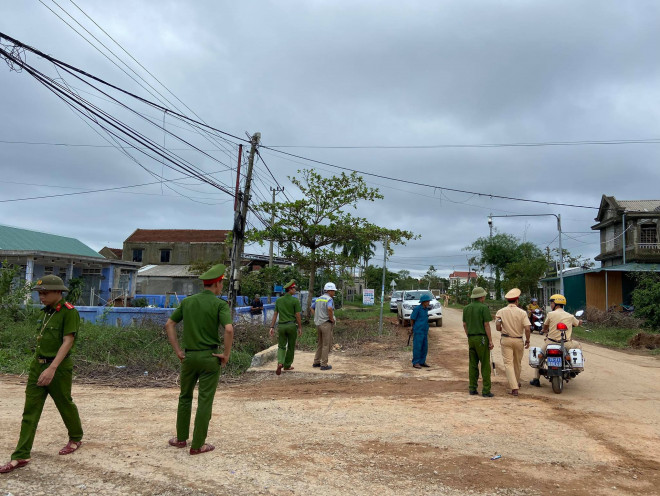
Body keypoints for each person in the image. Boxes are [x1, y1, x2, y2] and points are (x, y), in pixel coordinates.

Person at [1, 275, 84, 474]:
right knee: (30, 411)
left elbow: (68, 341)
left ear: (58, 292)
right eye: (40, 293)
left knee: (64, 403)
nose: (41, 296)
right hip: (37, 366)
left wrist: (52, 368)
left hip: (58, 368)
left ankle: (75, 437)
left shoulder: (68, 313)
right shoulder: (46, 313)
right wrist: (40, 367)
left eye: (45, 293)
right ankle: (21, 455)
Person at [165, 264, 233, 456]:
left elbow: (169, 324)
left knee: (184, 397)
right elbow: (228, 329)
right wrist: (226, 355)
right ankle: (198, 445)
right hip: (210, 358)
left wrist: (178, 350)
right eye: (222, 283)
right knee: (205, 400)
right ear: (218, 284)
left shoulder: (187, 302)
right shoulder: (220, 304)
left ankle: (180, 439)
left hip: (189, 356)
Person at [530, 294, 582, 387]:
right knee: (578, 345)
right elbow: (577, 323)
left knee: (540, 358)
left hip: (550, 343)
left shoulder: (550, 314)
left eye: (551, 303)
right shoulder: (570, 316)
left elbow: (545, 327)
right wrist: (580, 322)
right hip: (566, 344)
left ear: (556, 304)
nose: (551, 305)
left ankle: (536, 379)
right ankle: (575, 368)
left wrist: (544, 330)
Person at [495, 288, 531, 397]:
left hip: (506, 339)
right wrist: (528, 340)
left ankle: (514, 387)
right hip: (519, 339)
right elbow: (528, 328)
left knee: (508, 364)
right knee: (517, 363)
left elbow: (497, 326)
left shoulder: (501, 312)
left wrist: (502, 329)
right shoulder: (522, 312)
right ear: (517, 301)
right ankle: (516, 382)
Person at [462, 287, 494, 397]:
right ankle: (486, 390)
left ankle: (472, 388)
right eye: (484, 295)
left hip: (471, 338)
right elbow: (486, 325)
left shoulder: (466, 308)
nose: (484, 297)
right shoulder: (483, 308)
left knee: (472, 364)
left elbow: (465, 325)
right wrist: (490, 340)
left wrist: (469, 336)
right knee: (485, 364)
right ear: (481, 297)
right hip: (482, 338)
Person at [269, 280, 303, 375]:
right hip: (292, 326)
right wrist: (300, 327)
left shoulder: (279, 300)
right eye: (294, 288)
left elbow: (275, 314)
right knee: (291, 346)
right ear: (290, 289)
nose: (295, 290)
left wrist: (272, 327)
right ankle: (287, 365)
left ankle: (280, 362)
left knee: (281, 346)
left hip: (282, 326)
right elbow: (297, 315)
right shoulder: (295, 301)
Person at [311, 282, 336, 371]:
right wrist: (331, 318)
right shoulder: (329, 299)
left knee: (320, 343)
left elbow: (311, 308)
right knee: (326, 344)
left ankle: (316, 362)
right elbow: (329, 308)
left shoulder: (318, 299)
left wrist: (316, 316)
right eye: (333, 291)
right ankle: (324, 364)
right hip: (326, 323)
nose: (334, 293)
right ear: (329, 291)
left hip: (318, 323)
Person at [409, 294, 432, 369]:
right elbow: (412, 319)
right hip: (418, 330)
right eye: (427, 301)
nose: (429, 302)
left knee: (424, 347)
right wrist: (412, 327)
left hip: (424, 330)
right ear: (423, 302)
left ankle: (422, 361)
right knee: (417, 347)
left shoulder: (425, 309)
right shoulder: (417, 309)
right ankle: (416, 362)